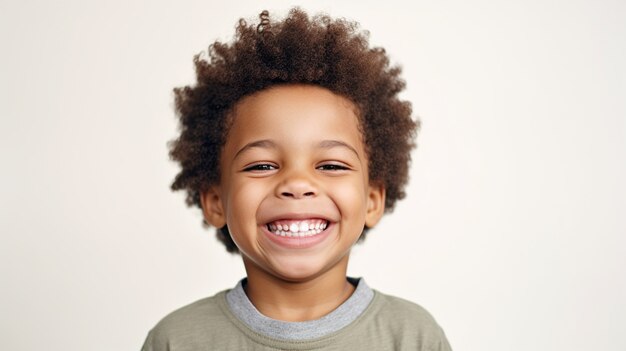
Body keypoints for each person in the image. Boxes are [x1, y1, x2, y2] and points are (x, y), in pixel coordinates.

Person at [142, 8, 451, 350]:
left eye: (331, 165)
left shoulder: (412, 337)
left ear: (373, 200)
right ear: (215, 201)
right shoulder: (177, 340)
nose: (297, 184)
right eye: (261, 166)